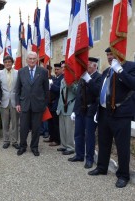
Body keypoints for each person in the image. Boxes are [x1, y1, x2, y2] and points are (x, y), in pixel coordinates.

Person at [88, 48, 135, 188]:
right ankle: (102, 167)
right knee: (103, 142)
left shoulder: (130, 66)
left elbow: (133, 84)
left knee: (122, 146)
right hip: (104, 112)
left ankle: (123, 175)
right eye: (107, 54)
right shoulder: (107, 71)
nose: (109, 57)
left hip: (121, 113)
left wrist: (120, 70)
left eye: (111, 53)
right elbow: (100, 91)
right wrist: (88, 80)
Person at [69, 57, 101, 169]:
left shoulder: (99, 77)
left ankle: (89, 159)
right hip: (80, 109)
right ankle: (79, 154)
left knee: (89, 136)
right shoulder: (83, 77)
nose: (86, 68)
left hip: (90, 110)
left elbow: (97, 92)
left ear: (95, 66)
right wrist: (74, 110)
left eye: (88, 65)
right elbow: (79, 95)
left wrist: (89, 80)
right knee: (78, 134)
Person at [15, 51, 49, 156]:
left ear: (37, 60)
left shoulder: (43, 71)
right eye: (30, 58)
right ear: (26, 60)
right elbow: (18, 89)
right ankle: (22, 146)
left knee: (36, 128)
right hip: (24, 104)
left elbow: (46, 90)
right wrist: (17, 103)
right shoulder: (21, 71)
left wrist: (44, 104)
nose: (32, 60)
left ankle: (34, 147)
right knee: (23, 128)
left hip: (38, 105)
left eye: (34, 58)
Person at [0, 55, 19, 149]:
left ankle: (14, 141)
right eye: (5, 62)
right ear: (4, 63)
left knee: (15, 123)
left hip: (15, 101)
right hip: (4, 101)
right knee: (5, 123)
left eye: (9, 62)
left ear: (12, 63)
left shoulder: (18, 73)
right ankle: (6, 140)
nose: (7, 64)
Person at [56, 60, 78, 155]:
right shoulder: (62, 79)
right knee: (63, 128)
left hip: (70, 106)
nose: (63, 69)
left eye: (65, 67)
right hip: (62, 107)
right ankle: (64, 145)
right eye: (62, 68)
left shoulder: (75, 78)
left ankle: (70, 147)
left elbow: (77, 92)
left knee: (69, 129)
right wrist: (58, 108)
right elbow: (61, 95)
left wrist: (71, 84)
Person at [44, 62, 64, 146]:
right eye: (55, 69)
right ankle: (51, 137)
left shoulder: (62, 78)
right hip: (50, 103)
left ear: (61, 70)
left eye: (57, 69)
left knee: (56, 123)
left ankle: (57, 140)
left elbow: (59, 90)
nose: (56, 71)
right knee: (50, 122)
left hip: (56, 103)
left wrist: (51, 85)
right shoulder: (55, 78)